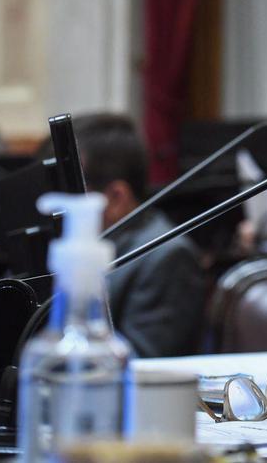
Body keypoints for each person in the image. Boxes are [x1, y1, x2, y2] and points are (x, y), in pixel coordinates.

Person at [72, 113, 206, 358]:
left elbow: (141, 364)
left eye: (71, 192)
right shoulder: (81, 247)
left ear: (116, 198)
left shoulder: (168, 257)